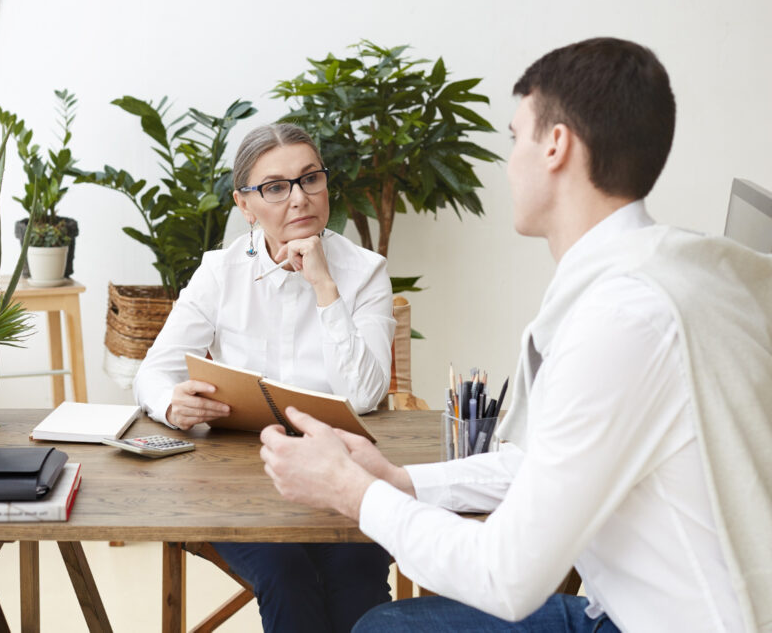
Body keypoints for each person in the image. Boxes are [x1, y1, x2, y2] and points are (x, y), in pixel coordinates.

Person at [259, 38, 772, 632]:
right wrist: (399, 479)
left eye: (514, 137)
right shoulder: (661, 271)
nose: (508, 163)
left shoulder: (624, 318)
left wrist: (353, 491)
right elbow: (540, 465)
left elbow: (506, 578)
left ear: (556, 145)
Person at [134, 123, 397, 632]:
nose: (299, 199)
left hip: (339, 466)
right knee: (286, 571)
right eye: (276, 187)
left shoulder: (364, 271)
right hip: (242, 478)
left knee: (355, 567)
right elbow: (154, 370)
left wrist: (324, 284)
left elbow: (364, 394)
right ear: (245, 205)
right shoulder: (220, 272)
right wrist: (172, 403)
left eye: (310, 179)